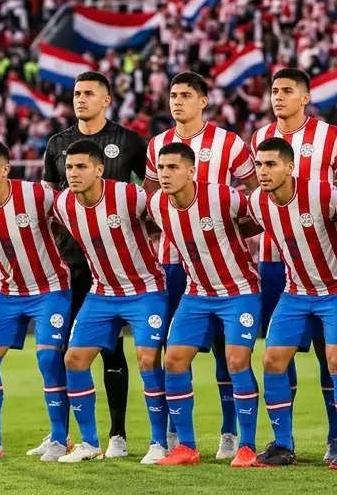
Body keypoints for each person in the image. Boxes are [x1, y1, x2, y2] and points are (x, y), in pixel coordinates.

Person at [144, 71, 257, 460]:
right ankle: (178, 437)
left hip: (230, 271)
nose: (177, 102)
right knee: (174, 355)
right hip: (180, 267)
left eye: (186, 95)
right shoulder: (157, 145)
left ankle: (233, 434)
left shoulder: (229, 143)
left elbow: (256, 199)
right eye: (173, 95)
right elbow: (150, 201)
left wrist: (231, 233)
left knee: (232, 355)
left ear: (203, 101)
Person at [39, 71, 147, 460]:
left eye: (89, 93)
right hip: (71, 263)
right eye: (76, 93)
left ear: (106, 100)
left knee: (113, 351)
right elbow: (50, 207)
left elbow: (150, 197)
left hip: (117, 266)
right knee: (64, 349)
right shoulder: (57, 144)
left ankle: (117, 434)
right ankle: (61, 435)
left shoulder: (129, 142)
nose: (80, 99)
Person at [250, 68, 337, 463]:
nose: (278, 97)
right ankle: (283, 442)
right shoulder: (260, 139)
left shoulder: (331, 137)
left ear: (305, 97)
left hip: (331, 266)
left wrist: (317, 204)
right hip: (282, 265)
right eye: (274, 91)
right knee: (276, 358)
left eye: (287, 91)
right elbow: (250, 205)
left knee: (334, 360)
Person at [0, 140, 72, 462]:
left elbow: (73, 219)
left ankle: (61, 439)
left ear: (5, 169)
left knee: (49, 360)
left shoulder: (37, 195)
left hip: (51, 288)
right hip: (8, 293)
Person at [52, 140, 168, 464]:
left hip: (145, 289)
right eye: (69, 167)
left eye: (81, 167)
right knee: (73, 359)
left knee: (147, 359)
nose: (73, 173)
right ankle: (89, 443)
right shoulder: (63, 204)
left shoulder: (129, 195)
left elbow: (163, 217)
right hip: (102, 292)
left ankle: (160, 442)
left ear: (99, 169)